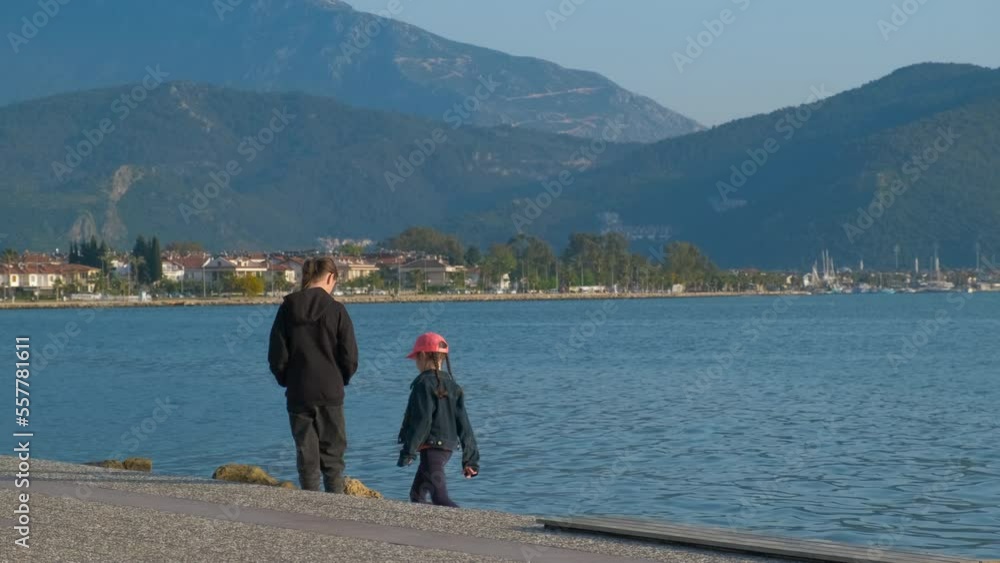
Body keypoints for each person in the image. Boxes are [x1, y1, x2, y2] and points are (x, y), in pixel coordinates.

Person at [268, 257, 358, 493]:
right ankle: (335, 508)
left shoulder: (287, 309)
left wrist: (288, 380)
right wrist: (340, 379)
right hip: (330, 392)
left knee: (307, 459)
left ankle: (310, 509)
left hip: (299, 392)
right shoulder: (337, 310)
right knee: (333, 461)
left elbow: (276, 356)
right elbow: (350, 357)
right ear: (331, 277)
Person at [397, 332, 479, 507]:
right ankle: (424, 525)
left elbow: (422, 421)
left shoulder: (423, 385)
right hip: (446, 448)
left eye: (416, 359)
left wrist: (408, 452)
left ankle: (465, 522)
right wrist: (470, 460)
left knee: (440, 498)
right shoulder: (453, 386)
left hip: (432, 449)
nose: (416, 363)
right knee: (417, 495)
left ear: (422, 355)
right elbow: (464, 425)